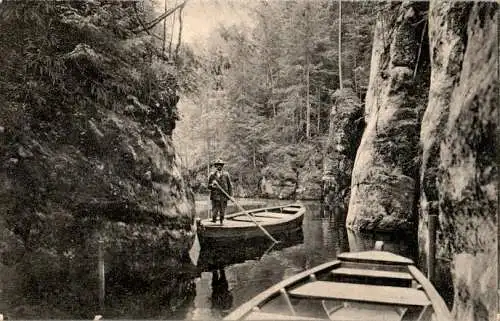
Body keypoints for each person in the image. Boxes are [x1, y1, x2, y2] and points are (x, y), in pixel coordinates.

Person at [208, 159, 232, 224]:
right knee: (214, 212)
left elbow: (230, 186)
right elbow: (208, 186)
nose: (219, 166)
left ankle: (221, 223)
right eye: (218, 165)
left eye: (221, 165)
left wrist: (231, 196)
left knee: (222, 211)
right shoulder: (212, 175)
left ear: (222, 166)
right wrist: (212, 185)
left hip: (223, 196)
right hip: (215, 197)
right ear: (215, 166)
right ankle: (213, 223)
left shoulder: (226, 174)